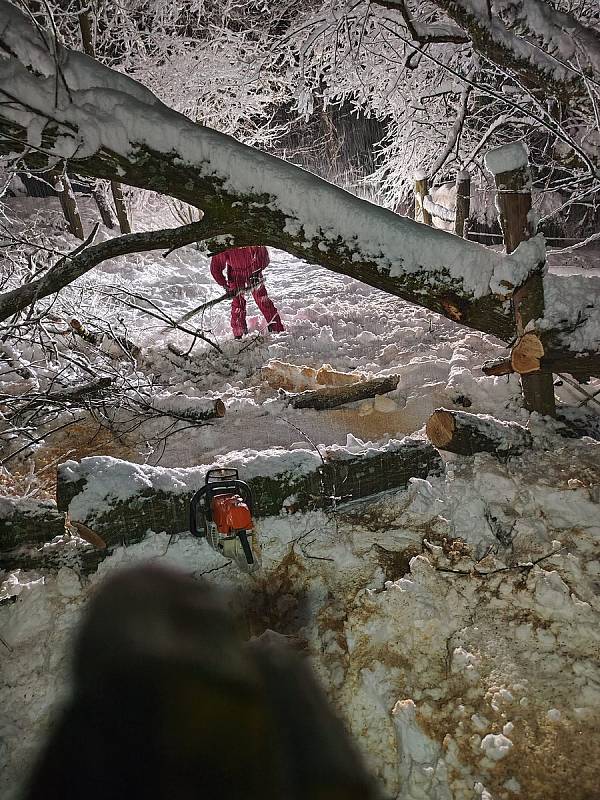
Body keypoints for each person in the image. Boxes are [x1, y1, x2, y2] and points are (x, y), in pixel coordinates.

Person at [210, 245, 284, 339]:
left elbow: (263, 255)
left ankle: (277, 328)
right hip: (235, 274)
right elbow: (216, 265)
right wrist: (224, 283)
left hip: (254, 272)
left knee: (263, 300)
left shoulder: (249, 237)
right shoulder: (226, 240)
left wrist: (257, 271)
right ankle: (239, 334)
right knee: (238, 304)